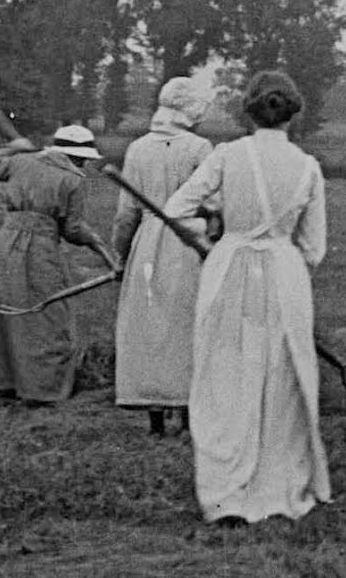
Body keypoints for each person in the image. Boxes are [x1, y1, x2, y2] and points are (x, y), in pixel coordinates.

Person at [163, 70, 330, 525]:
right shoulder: (308, 167)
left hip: (229, 267)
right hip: (285, 273)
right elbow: (314, 248)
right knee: (282, 378)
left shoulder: (227, 155)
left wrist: (211, 231)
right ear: (292, 114)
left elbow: (175, 209)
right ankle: (279, 490)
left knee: (225, 377)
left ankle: (226, 496)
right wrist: (277, 250)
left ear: (248, 110)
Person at [0, 125, 119, 405]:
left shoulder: (21, 161)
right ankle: (42, 390)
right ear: (76, 156)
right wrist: (97, 243)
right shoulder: (73, 179)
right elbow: (72, 229)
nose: (84, 163)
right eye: (82, 158)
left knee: (7, 307)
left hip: (3, 244)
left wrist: (16, 146)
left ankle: (4, 384)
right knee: (48, 315)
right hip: (39, 249)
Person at [111, 77, 215, 436]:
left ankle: (155, 419)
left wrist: (121, 256)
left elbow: (126, 215)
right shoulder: (201, 148)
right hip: (189, 240)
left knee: (150, 323)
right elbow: (215, 203)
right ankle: (185, 415)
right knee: (187, 322)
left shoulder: (138, 149)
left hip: (149, 242)